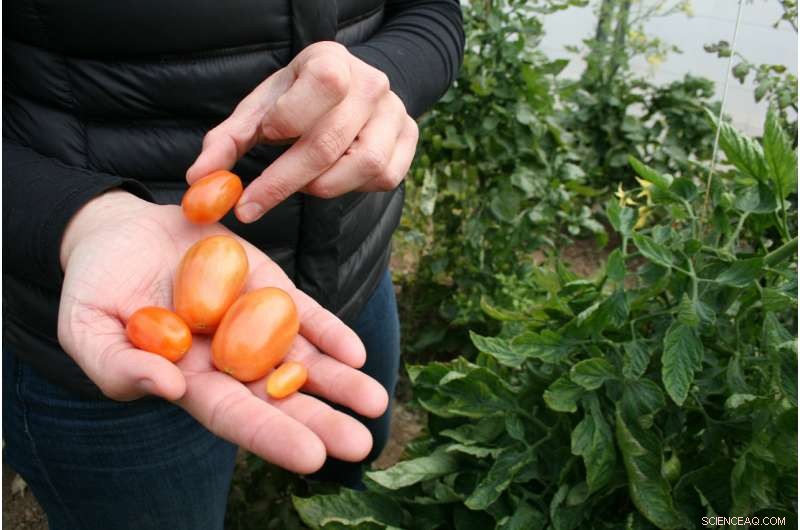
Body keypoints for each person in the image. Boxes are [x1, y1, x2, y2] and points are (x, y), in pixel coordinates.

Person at [2, 1, 465, 528]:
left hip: (352, 269)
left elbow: (432, 10)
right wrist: (70, 214)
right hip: (89, 320)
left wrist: (386, 76)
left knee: (349, 467)